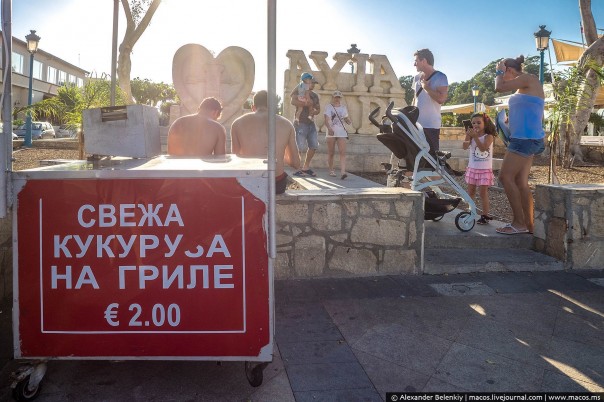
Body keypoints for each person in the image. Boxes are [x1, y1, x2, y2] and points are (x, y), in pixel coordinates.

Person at [494, 55, 545, 235]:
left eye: (503, 72)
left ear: (508, 70)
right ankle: (529, 225)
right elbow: (532, 111)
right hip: (525, 138)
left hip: (525, 139)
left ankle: (518, 223)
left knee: (505, 177)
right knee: (520, 181)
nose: (502, 75)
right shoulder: (522, 87)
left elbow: (499, 87)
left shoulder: (528, 78)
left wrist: (498, 72)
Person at [231, 90, 301, 194]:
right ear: (273, 106)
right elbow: (296, 163)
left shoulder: (237, 123)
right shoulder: (287, 124)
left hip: (249, 181)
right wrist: (280, 155)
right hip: (276, 182)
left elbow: (236, 160)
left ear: (253, 107)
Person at [412, 48, 448, 153]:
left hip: (431, 126)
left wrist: (426, 87)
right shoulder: (416, 78)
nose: (414, 64)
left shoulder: (441, 77)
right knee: (414, 157)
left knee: (431, 158)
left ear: (424, 61)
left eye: (416, 61)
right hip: (416, 125)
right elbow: (415, 99)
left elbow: (441, 99)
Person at [463, 112, 496, 225]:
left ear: (485, 123)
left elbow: (483, 148)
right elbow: (464, 147)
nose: (475, 125)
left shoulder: (489, 136)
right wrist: (468, 136)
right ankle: (470, 211)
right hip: (473, 168)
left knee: (483, 193)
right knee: (471, 192)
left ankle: (485, 215)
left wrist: (475, 137)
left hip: (484, 169)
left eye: (478, 122)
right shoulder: (472, 135)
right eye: (473, 123)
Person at [290, 76, 320, 177]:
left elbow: (318, 109)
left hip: (311, 123)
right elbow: (293, 101)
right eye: (312, 82)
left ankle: (306, 167)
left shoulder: (315, 95)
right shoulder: (300, 90)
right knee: (299, 147)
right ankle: (297, 169)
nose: (313, 85)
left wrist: (315, 111)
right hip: (300, 123)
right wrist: (307, 104)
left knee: (314, 146)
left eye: (314, 83)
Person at [323, 90, 352, 180]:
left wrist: (348, 120)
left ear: (340, 98)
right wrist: (329, 128)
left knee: (342, 152)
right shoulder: (329, 107)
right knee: (331, 152)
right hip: (331, 131)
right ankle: (331, 170)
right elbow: (326, 120)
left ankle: (343, 172)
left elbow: (346, 118)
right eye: (335, 97)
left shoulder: (343, 107)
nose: (337, 99)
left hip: (341, 132)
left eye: (339, 97)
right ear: (333, 97)